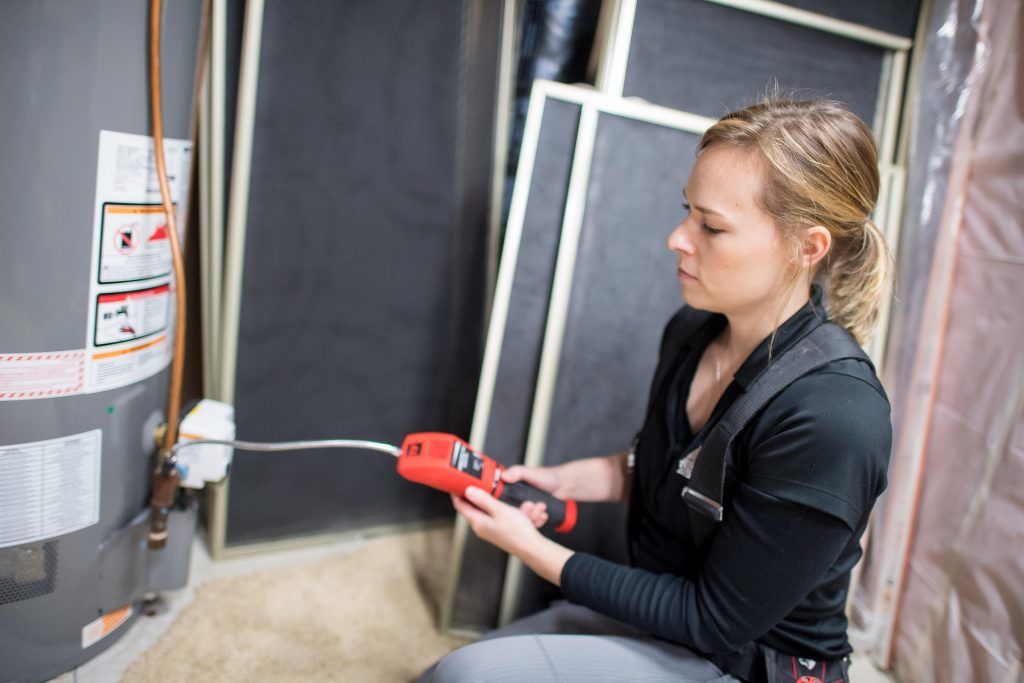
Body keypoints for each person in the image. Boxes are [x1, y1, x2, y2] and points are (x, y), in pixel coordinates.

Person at [427, 98, 893, 683]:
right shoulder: (694, 330)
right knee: (443, 673)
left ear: (809, 246)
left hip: (746, 661)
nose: (677, 238)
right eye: (686, 213)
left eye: (712, 226)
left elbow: (715, 620)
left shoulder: (836, 417)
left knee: (467, 678)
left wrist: (530, 548)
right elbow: (681, 470)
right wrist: (563, 481)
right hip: (665, 622)